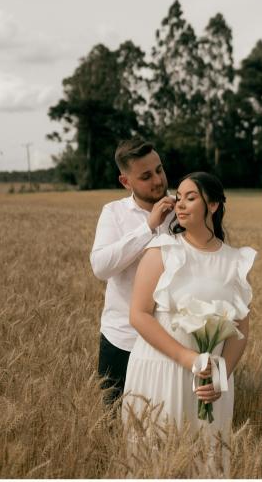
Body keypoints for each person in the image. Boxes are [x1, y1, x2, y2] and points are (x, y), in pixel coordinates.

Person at [122, 171, 256, 467]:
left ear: (213, 206)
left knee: (205, 463)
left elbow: (241, 328)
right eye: (178, 197)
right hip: (161, 371)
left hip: (210, 384)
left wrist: (221, 377)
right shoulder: (163, 251)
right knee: (156, 460)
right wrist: (187, 358)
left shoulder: (236, 261)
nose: (179, 205)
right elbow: (139, 315)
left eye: (190, 198)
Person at [90, 136, 176, 403]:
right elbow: (101, 267)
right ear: (126, 182)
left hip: (170, 341)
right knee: (113, 424)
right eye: (146, 176)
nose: (158, 180)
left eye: (159, 170)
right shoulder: (114, 213)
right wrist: (148, 227)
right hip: (122, 339)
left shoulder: (182, 210)